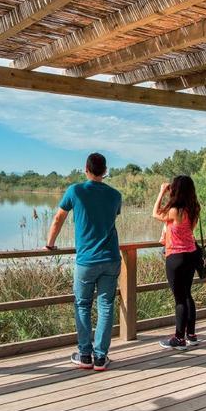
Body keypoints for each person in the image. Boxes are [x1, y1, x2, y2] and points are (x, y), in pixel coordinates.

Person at [45, 152, 122, 371]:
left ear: (86, 169)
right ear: (105, 171)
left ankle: (85, 354)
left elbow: (59, 218)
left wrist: (50, 244)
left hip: (87, 260)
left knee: (82, 305)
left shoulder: (75, 191)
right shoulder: (115, 195)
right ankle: (101, 357)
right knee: (106, 305)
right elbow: (109, 218)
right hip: (111, 258)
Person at [153, 175, 202, 350]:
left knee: (180, 299)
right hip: (190, 255)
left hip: (175, 257)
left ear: (176, 190)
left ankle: (179, 339)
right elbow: (189, 230)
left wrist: (160, 192)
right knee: (187, 294)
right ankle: (191, 335)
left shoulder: (175, 211)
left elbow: (155, 213)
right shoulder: (194, 208)